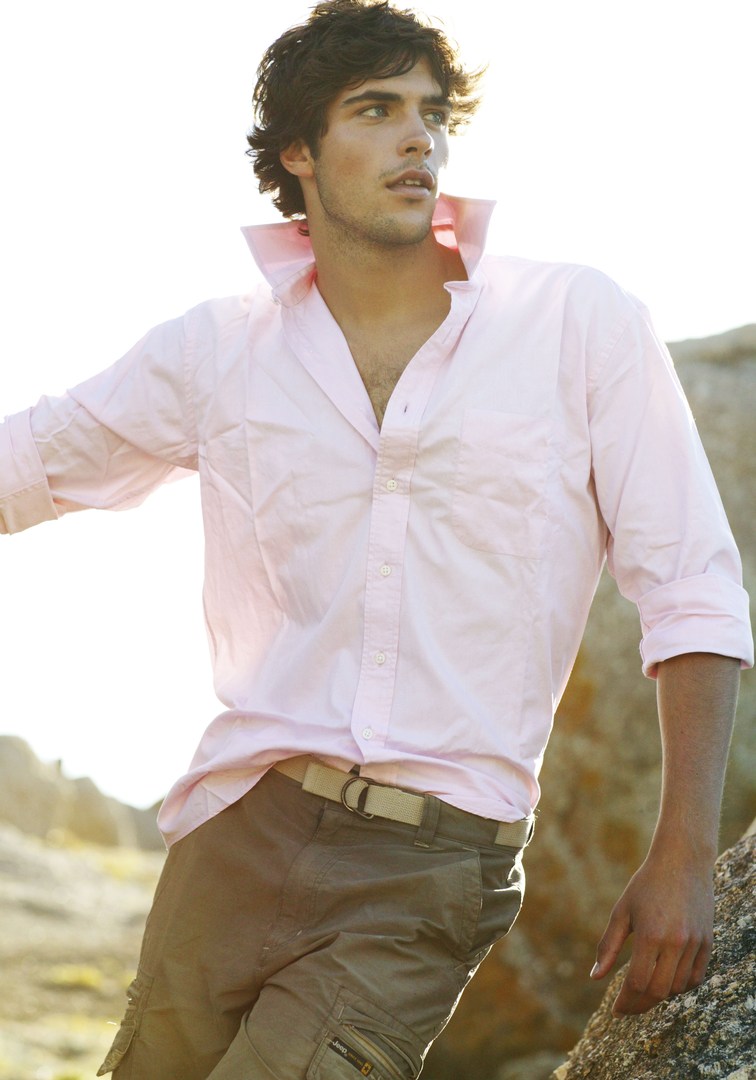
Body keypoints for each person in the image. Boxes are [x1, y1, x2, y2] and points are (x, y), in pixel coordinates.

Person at [1, 0, 752, 1076]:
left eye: (432, 113)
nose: (419, 139)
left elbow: (692, 587)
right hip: (239, 831)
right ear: (299, 153)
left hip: (429, 861)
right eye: (376, 110)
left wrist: (684, 853)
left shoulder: (578, 321)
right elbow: (28, 463)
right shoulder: (220, 348)